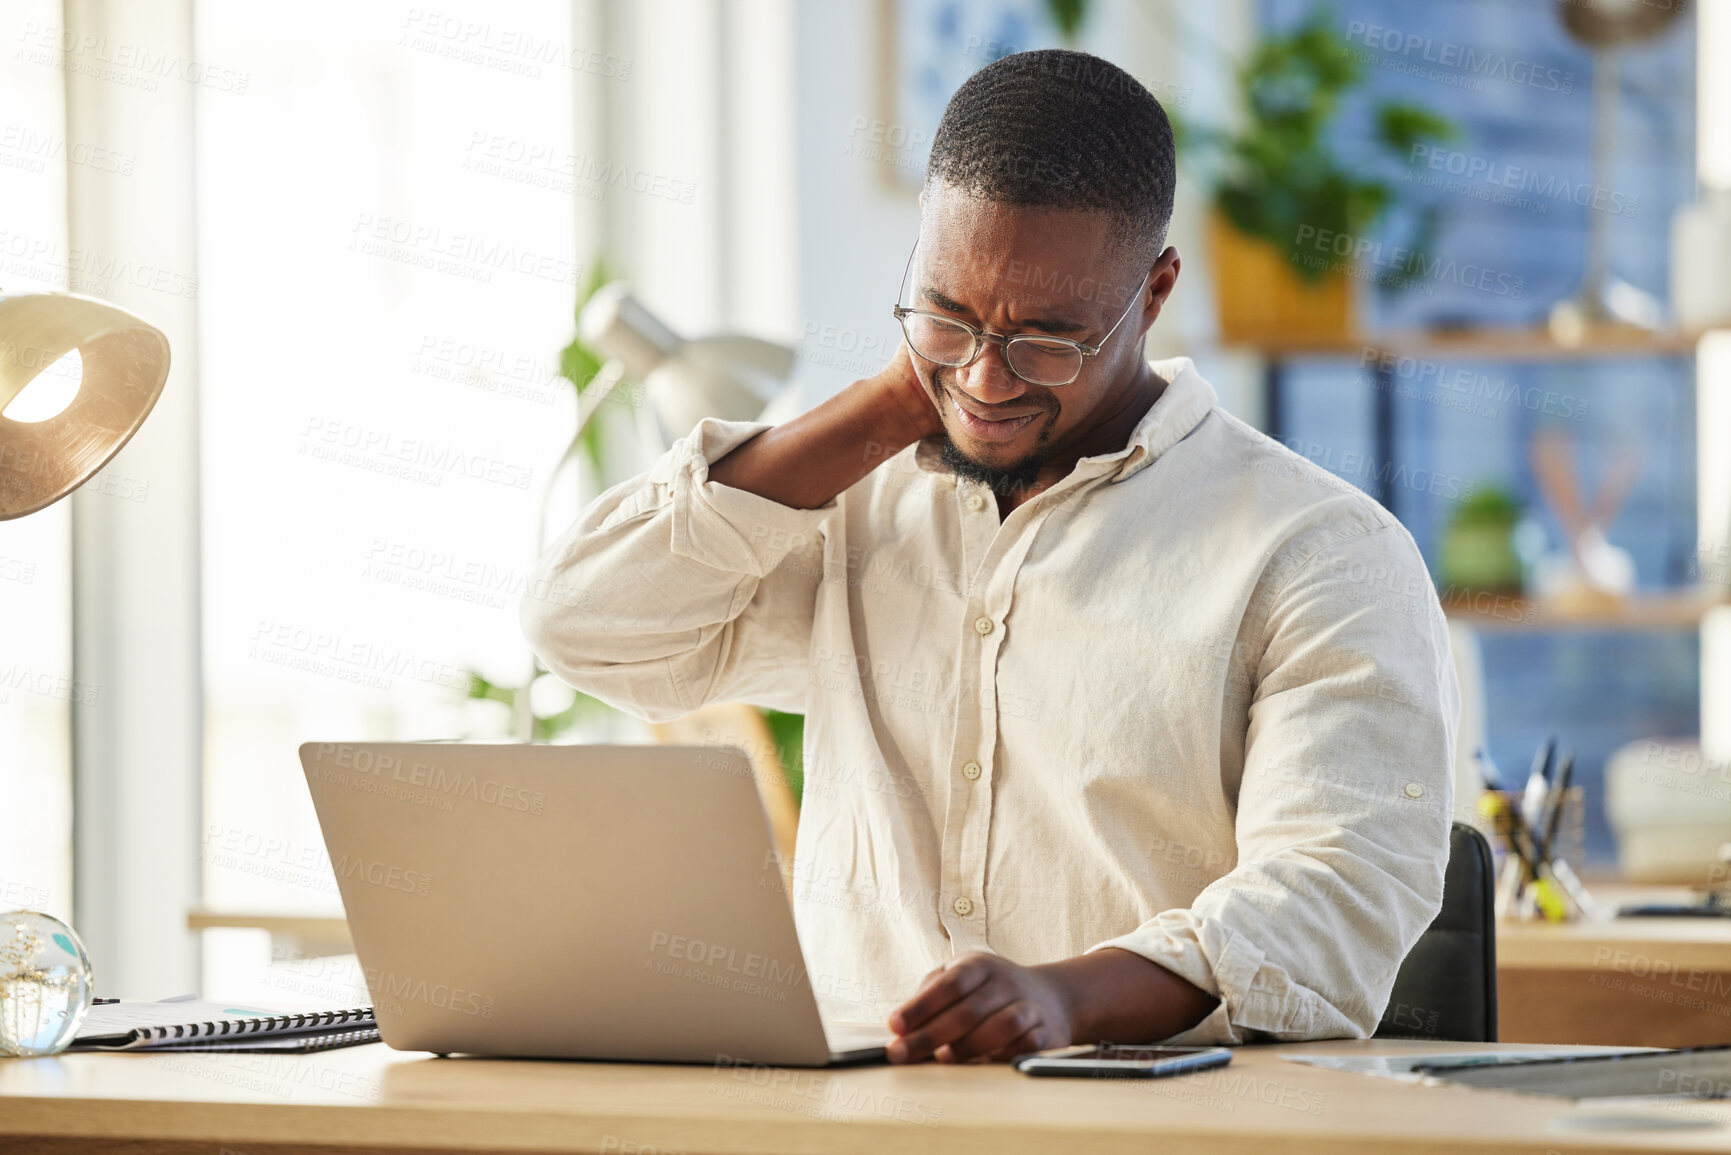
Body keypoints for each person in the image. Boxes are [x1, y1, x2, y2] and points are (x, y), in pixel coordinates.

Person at [521, 48, 1458, 1064]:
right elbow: (583, 627)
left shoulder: (1322, 552)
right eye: (948, 314)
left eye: (1048, 338)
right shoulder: (855, 510)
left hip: (1152, 1130)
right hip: (848, 1123)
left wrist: (1067, 1001)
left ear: (1154, 292)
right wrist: (886, 405)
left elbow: (1337, 894)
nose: (985, 376)